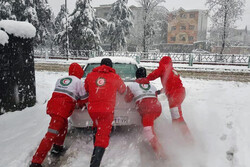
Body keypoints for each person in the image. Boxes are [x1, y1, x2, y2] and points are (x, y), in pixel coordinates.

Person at [30, 63, 88, 167]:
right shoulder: (78, 81)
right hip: (61, 109)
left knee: (63, 127)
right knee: (50, 135)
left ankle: (58, 147)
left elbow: (62, 93)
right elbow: (84, 98)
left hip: (54, 106)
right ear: (80, 72)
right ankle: (36, 162)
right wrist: (82, 104)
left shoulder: (61, 79)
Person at [136, 56, 192, 141]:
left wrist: (145, 79)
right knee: (176, 116)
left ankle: (187, 138)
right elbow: (170, 85)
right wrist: (159, 92)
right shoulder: (171, 70)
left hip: (175, 95)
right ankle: (178, 134)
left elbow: (154, 75)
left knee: (177, 117)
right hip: (179, 93)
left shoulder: (164, 67)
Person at [84, 58, 126, 167]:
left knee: (96, 126)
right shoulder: (115, 77)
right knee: (102, 137)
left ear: (100, 65)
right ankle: (95, 164)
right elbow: (122, 89)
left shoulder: (90, 75)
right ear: (111, 67)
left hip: (92, 109)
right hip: (106, 110)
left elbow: (86, 89)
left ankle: (95, 146)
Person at [124, 67, 166, 159]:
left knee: (148, 132)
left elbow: (127, 99)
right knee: (150, 127)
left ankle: (161, 154)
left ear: (136, 76)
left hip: (147, 110)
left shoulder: (131, 86)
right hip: (157, 109)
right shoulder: (153, 86)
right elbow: (153, 96)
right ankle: (155, 140)